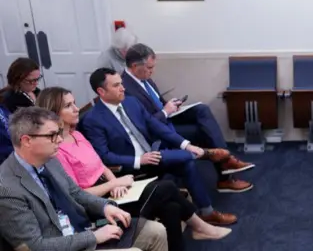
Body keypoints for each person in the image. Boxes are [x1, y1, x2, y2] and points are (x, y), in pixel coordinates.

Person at [36, 86, 232, 251]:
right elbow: (76, 194)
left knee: (171, 208)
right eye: (69, 106)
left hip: (112, 189)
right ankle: (199, 225)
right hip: (96, 205)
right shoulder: (56, 149)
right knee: (166, 188)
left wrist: (114, 182)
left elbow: (101, 164)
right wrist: (114, 183)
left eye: (75, 103)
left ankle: (197, 229)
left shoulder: (76, 135)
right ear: (53, 112)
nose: (77, 108)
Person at [82, 68, 237, 226]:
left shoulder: (131, 102)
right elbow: (105, 156)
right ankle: (206, 154)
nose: (123, 88)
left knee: (187, 163)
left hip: (152, 155)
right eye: (116, 85)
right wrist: (138, 160)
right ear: (101, 91)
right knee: (184, 158)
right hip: (130, 168)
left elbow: (156, 126)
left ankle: (207, 212)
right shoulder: (92, 120)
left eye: (121, 83)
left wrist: (186, 144)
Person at [0, 106, 168, 251]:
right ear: (27, 141)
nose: (59, 139)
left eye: (58, 133)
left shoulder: (50, 159)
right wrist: (93, 237)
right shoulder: (7, 188)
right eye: (52, 135)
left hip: (81, 228)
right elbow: (34, 247)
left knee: (157, 231)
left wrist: (105, 207)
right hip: (63, 243)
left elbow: (75, 193)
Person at [121, 43, 253, 192]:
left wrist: (171, 106)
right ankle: (225, 170)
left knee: (201, 110)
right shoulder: (125, 89)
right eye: (149, 68)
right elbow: (142, 126)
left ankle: (226, 162)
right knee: (203, 131)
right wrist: (165, 112)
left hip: (166, 117)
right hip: (157, 130)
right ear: (134, 66)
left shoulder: (143, 77)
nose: (152, 71)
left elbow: (156, 102)